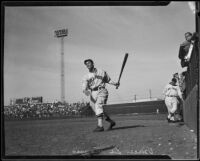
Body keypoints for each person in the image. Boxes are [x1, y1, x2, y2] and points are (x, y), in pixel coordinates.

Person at [82, 59, 119, 132]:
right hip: (92, 93)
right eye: (86, 64)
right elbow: (84, 87)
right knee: (97, 109)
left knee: (98, 105)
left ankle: (100, 126)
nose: (88, 64)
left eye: (89, 63)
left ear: (93, 64)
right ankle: (111, 121)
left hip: (101, 90)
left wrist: (115, 83)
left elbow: (108, 80)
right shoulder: (86, 76)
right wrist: (85, 91)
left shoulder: (102, 71)